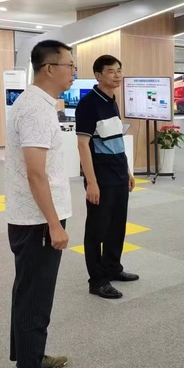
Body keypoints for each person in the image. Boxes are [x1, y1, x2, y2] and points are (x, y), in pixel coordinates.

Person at [5, 40, 78, 368]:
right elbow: (36, 174)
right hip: (37, 222)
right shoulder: (36, 109)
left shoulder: (39, 103)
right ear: (49, 68)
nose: (73, 72)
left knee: (28, 292)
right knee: (35, 297)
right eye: (70, 65)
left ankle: (28, 360)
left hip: (33, 218)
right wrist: (54, 224)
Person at [75, 55, 137, 300]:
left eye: (119, 70)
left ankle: (112, 267)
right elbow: (82, 145)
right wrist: (91, 182)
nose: (117, 75)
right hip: (100, 176)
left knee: (117, 225)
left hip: (118, 173)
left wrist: (128, 171)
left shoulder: (112, 101)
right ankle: (97, 281)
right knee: (97, 229)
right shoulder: (88, 104)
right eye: (111, 71)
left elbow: (116, 141)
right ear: (98, 75)